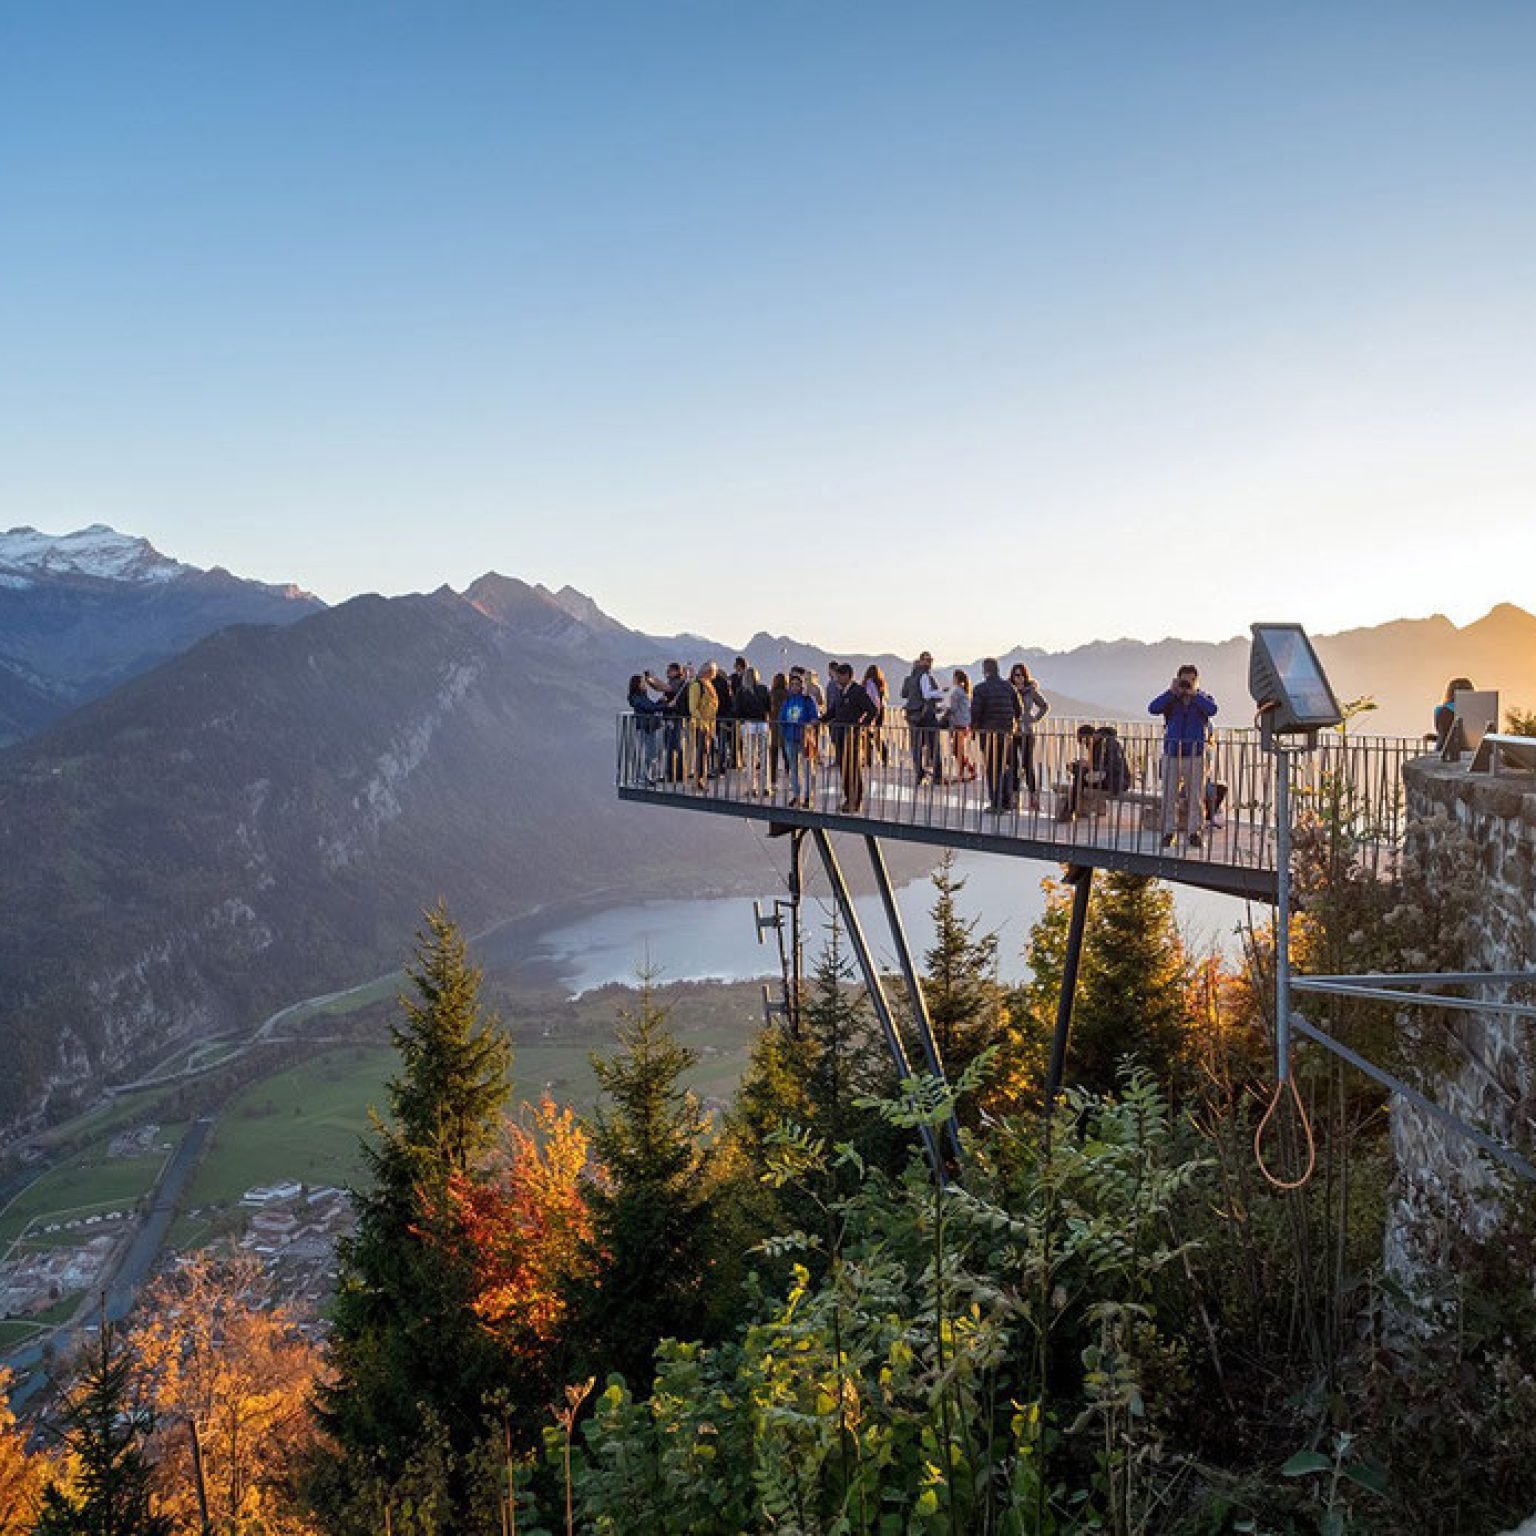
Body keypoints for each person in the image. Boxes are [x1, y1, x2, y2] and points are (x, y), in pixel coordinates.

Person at [1148, 665, 1218, 848]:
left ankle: (1194, 832)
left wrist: (1195, 694)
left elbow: (1212, 710)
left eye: (1191, 680)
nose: (1187, 684)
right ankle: (1168, 832)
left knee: (1195, 796)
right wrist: (1171, 692)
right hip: (1172, 753)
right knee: (1169, 795)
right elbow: (1153, 708)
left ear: (1196, 680)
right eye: (1184, 680)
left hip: (1195, 754)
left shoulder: (1203, 698)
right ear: (1177, 679)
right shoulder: (1171, 700)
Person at [825, 662, 879, 811]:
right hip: (840, 735)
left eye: (840, 677)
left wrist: (862, 725)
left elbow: (873, 710)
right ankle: (848, 798)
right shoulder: (840, 692)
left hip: (852, 736)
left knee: (853, 768)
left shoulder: (858, 692)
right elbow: (833, 711)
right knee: (843, 768)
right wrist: (821, 720)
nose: (837, 680)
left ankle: (856, 800)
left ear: (847, 676)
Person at [971, 657, 1023, 811]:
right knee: (1006, 767)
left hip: (989, 734)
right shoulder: (1009, 687)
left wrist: (975, 729)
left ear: (985, 671)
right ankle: (1007, 800)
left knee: (993, 768)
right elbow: (1018, 710)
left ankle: (996, 803)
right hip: (1007, 733)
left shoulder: (980, 689)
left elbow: (975, 712)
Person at [1008, 662, 1051, 811]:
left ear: (1025, 676)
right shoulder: (1009, 691)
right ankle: (1014, 798)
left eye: (1020, 675)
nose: (1017, 678)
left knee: (1028, 765)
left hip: (1027, 732)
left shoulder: (1030, 691)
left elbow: (1044, 705)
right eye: (1015, 675)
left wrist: (1035, 718)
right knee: (1013, 765)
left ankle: (1033, 798)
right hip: (1012, 733)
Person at [900, 651, 946, 784]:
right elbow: (928, 695)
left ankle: (919, 774)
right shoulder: (926, 676)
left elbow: (904, 694)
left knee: (916, 746)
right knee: (933, 745)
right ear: (921, 662)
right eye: (928, 660)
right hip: (927, 715)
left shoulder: (909, 679)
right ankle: (937, 776)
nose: (929, 663)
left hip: (912, 715)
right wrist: (941, 692)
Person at [777, 672, 820, 807]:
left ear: (802, 686)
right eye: (792, 684)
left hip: (804, 738)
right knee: (793, 768)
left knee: (807, 768)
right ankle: (796, 795)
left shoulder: (808, 700)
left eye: (797, 684)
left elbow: (814, 717)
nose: (795, 687)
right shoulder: (788, 701)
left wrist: (807, 727)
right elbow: (781, 717)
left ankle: (808, 796)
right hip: (790, 737)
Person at [734, 665, 772, 796]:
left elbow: (737, 710)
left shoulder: (741, 691)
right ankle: (766, 786)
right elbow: (768, 707)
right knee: (764, 756)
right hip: (762, 724)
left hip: (748, 724)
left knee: (750, 757)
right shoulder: (763, 689)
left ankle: (752, 787)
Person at [626, 672, 668, 784]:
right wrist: (667, 706)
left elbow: (650, 706)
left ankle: (645, 776)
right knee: (650, 753)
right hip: (645, 727)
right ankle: (642, 776)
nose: (645, 684)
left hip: (650, 727)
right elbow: (649, 707)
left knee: (653, 752)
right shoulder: (636, 698)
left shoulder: (641, 696)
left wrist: (660, 702)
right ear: (637, 684)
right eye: (643, 682)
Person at [684, 662, 720, 788]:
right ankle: (698, 780)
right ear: (708, 671)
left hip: (710, 724)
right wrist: (703, 723)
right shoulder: (696, 685)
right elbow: (693, 708)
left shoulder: (709, 684)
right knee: (701, 751)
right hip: (701, 725)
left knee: (706, 752)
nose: (715, 673)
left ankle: (702, 778)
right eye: (714, 671)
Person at [941, 669, 977, 782]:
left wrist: (944, 712)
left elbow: (953, 708)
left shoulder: (956, 692)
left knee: (957, 750)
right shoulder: (965, 692)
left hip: (957, 723)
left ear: (956, 679)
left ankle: (966, 771)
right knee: (958, 749)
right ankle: (967, 770)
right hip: (965, 723)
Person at [1433, 676, 1474, 749]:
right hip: (1469, 750)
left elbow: (1444, 735)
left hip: (1443, 750)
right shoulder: (1476, 712)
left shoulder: (1440, 710)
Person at [862, 663, 889, 765]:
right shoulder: (881, 684)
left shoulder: (868, 683)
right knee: (878, 736)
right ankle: (884, 757)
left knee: (866, 735)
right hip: (880, 712)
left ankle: (868, 759)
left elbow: (871, 698)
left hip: (871, 712)